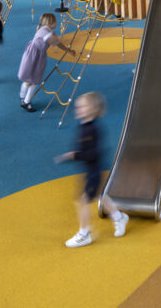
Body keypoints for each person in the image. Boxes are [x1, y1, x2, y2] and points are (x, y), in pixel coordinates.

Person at [56, 91, 129, 248]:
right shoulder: (84, 126)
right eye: (78, 106)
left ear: (93, 109)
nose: (78, 109)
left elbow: (93, 153)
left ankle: (84, 234)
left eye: (82, 107)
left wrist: (74, 155)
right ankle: (119, 217)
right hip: (90, 170)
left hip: (94, 170)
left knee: (82, 201)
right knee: (98, 196)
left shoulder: (92, 130)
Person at [17, 12, 76, 112]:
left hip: (31, 55)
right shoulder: (48, 33)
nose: (56, 23)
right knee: (34, 80)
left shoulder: (42, 29)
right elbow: (58, 44)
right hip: (36, 56)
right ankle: (26, 102)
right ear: (49, 23)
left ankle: (23, 97)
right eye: (55, 21)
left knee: (28, 79)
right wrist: (69, 51)